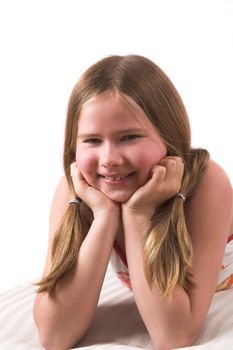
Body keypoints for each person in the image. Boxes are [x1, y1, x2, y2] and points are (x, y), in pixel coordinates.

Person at [33, 55, 233, 350]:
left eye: (129, 137)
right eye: (92, 141)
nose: (110, 160)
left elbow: (174, 335)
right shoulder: (75, 191)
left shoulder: (205, 182)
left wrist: (138, 214)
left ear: (169, 137)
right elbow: (54, 336)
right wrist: (103, 216)